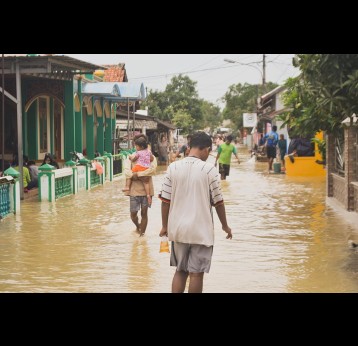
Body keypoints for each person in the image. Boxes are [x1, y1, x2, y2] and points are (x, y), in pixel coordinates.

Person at [159, 131, 232, 293]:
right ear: (205, 149)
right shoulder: (209, 170)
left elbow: (165, 202)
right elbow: (219, 203)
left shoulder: (173, 167)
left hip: (178, 229)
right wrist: (225, 226)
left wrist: (165, 226)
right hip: (201, 230)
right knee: (196, 274)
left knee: (180, 270)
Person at [124, 134, 156, 237]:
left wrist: (136, 175)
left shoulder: (151, 156)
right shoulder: (133, 156)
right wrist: (140, 175)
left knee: (144, 213)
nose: (135, 147)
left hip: (147, 190)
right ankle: (138, 226)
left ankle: (142, 235)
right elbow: (126, 172)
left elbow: (152, 170)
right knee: (133, 214)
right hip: (134, 190)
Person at [122, 136, 154, 206]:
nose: (135, 147)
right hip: (145, 170)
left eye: (136, 146)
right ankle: (148, 195)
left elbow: (133, 160)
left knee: (129, 174)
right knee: (146, 183)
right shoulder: (149, 152)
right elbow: (152, 160)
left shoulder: (138, 153)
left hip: (139, 169)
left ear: (141, 146)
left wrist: (130, 158)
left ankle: (127, 186)